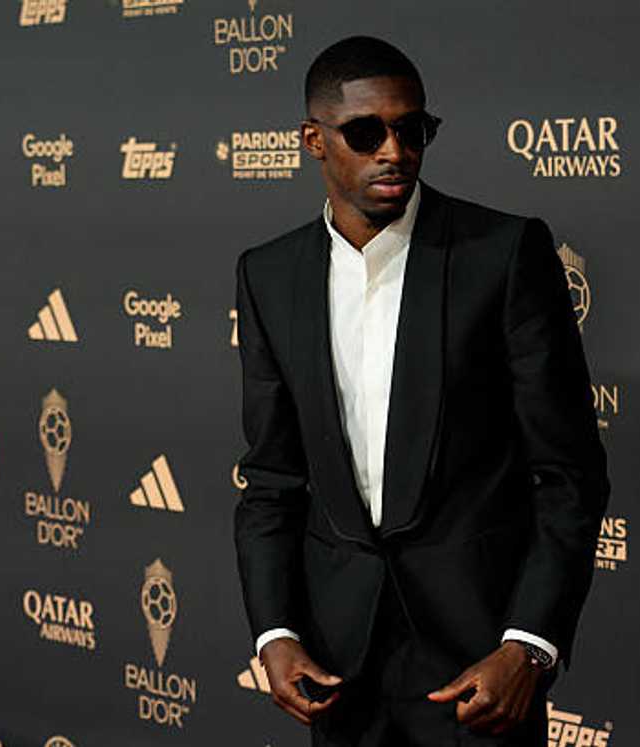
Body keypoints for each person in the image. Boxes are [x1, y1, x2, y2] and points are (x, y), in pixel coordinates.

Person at [233, 35, 610, 747]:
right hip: (336, 666)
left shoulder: (500, 254)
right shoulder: (268, 275)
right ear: (313, 139)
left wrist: (527, 643)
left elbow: (568, 473)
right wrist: (275, 630)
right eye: (365, 131)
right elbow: (271, 477)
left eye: (412, 130)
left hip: (479, 665)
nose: (394, 151)